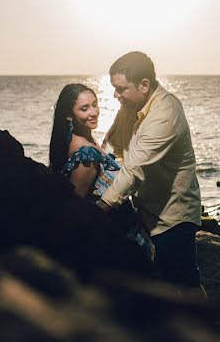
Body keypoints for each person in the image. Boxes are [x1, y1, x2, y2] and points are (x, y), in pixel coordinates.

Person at [97, 52, 203, 288]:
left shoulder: (164, 115)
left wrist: (99, 209)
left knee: (184, 284)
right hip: (145, 208)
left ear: (144, 85)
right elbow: (119, 150)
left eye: (121, 89)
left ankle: (204, 324)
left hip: (172, 216)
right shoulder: (131, 104)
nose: (116, 95)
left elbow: (134, 171)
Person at [49, 83, 153, 261]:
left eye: (94, 104)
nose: (93, 112)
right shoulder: (86, 155)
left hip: (121, 234)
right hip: (118, 242)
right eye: (84, 108)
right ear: (69, 115)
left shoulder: (83, 139)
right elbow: (77, 209)